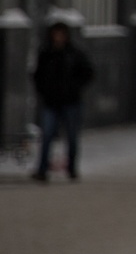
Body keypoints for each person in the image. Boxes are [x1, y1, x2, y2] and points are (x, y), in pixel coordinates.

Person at [31, 22, 94, 182]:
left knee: (72, 137)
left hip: (71, 101)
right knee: (47, 136)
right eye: (55, 34)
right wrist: (43, 90)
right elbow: (37, 75)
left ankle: (72, 168)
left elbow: (88, 72)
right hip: (51, 102)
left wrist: (75, 87)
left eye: (61, 34)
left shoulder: (74, 54)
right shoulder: (46, 53)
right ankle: (42, 169)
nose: (58, 37)